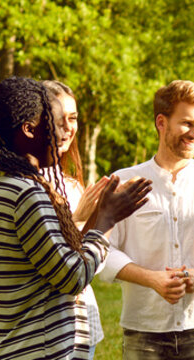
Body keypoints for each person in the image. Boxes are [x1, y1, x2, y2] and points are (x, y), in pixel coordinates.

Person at [0, 76, 151, 359]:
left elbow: (53, 264)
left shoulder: (4, 185)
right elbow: (72, 276)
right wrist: (106, 219)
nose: (62, 132)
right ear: (29, 130)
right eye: (52, 123)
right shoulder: (25, 193)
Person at [97, 80, 194, 360]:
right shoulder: (124, 182)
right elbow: (103, 250)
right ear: (161, 122)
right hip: (143, 331)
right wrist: (151, 279)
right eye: (187, 124)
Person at [42, 80, 113, 359]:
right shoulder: (20, 186)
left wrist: (103, 222)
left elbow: (95, 265)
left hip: (82, 327)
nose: (67, 128)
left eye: (72, 119)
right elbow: (46, 260)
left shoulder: (72, 186)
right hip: (44, 332)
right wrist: (79, 219)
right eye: (57, 120)